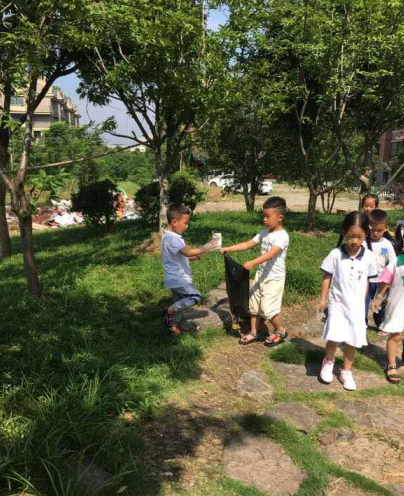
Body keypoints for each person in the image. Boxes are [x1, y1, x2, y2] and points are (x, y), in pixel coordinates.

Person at [318, 211, 377, 391]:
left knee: (353, 338)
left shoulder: (369, 257)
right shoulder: (335, 254)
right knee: (334, 335)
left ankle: (346, 371)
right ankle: (328, 361)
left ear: (366, 235)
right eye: (351, 236)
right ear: (344, 232)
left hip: (356, 306)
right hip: (337, 304)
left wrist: (363, 303)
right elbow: (327, 277)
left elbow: (367, 281)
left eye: (359, 237)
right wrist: (322, 299)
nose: (354, 241)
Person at [220, 197, 289, 347]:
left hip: (274, 278)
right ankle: (253, 332)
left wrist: (253, 262)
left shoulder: (282, 236)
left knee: (268, 309)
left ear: (280, 217)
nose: (264, 219)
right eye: (263, 216)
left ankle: (280, 330)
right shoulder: (264, 233)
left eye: (267, 216)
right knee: (254, 305)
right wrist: (228, 248)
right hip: (261, 275)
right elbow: (248, 244)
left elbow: (271, 254)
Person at [161, 205, 216, 335]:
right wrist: (205, 248)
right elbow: (187, 252)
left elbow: (176, 257)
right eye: (185, 223)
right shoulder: (174, 238)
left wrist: (191, 258)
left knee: (179, 305)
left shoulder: (167, 236)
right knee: (195, 297)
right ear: (174, 222)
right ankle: (169, 310)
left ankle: (172, 326)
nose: (187, 226)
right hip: (179, 279)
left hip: (172, 279)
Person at [373, 223, 404, 384]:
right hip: (398, 304)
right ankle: (391, 364)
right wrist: (378, 298)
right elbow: (385, 282)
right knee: (396, 334)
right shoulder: (397, 263)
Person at [364, 209, 396, 335]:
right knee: (363, 302)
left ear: (386, 228)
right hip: (365, 280)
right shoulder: (363, 242)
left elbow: (392, 263)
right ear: (368, 227)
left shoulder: (387, 244)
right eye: (372, 230)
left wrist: (389, 281)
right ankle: (362, 322)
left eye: (379, 230)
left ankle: (381, 324)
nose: (375, 233)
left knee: (380, 304)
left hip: (381, 281)